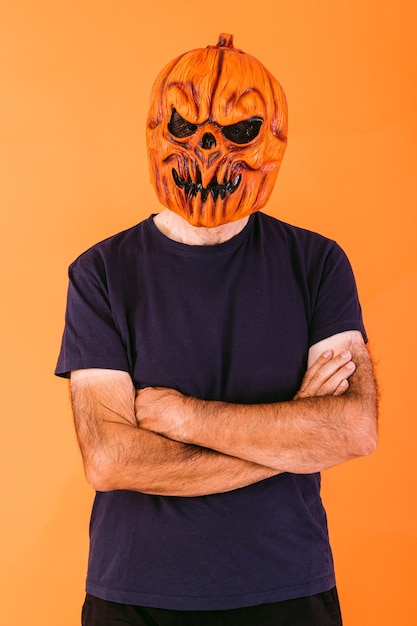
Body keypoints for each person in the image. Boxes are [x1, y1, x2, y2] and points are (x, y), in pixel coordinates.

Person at [55, 34, 378, 626]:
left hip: (288, 589)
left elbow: (354, 428)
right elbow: (110, 460)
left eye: (239, 131)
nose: (207, 147)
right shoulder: (100, 272)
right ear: (156, 128)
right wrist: (294, 437)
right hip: (135, 595)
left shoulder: (318, 264)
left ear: (275, 140)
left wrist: (185, 416)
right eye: (183, 123)